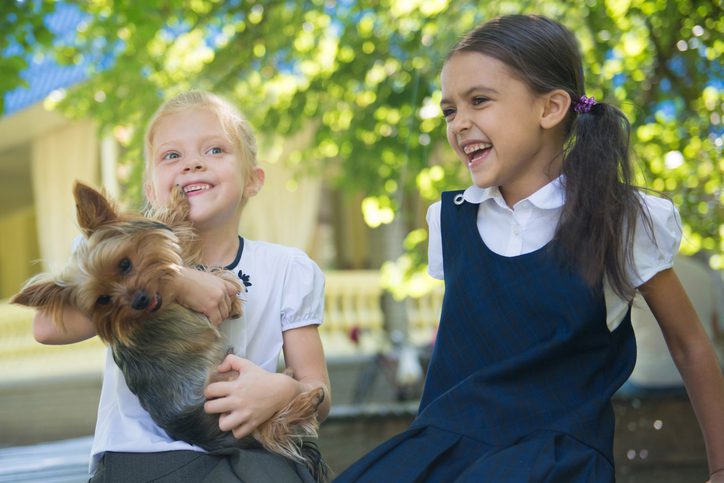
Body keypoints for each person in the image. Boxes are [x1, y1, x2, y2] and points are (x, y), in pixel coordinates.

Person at [336, 14, 724, 483]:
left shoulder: (618, 217)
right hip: (447, 444)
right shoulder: (449, 219)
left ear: (551, 108)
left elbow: (689, 345)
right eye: (449, 111)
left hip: (552, 456)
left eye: (479, 101)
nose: (460, 123)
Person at [31, 90, 331, 482]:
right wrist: (176, 279)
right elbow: (46, 327)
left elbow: (317, 389)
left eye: (215, 150)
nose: (192, 164)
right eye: (172, 156)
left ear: (253, 180)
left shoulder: (287, 268)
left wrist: (283, 392)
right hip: (141, 453)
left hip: (251, 445)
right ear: (152, 189)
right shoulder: (108, 252)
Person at [624, 253, 724, 392]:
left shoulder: (630, 271)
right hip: (704, 375)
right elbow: (717, 329)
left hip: (645, 374)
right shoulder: (702, 272)